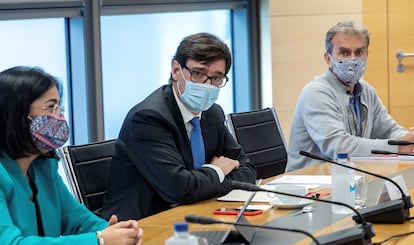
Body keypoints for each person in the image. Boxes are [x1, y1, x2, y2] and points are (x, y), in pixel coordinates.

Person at [0, 66, 143, 245]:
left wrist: (118, 233)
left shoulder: (43, 168)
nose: (58, 118)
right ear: (15, 114)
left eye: (60, 109)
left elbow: (78, 221)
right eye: (50, 108)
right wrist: (101, 243)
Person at [102, 33, 257, 221]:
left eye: (216, 78)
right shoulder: (148, 118)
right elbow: (180, 189)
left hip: (196, 216)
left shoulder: (212, 113)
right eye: (198, 74)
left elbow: (247, 170)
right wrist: (217, 171)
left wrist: (204, 185)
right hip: (144, 226)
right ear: (176, 70)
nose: (207, 84)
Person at [286, 20, 414, 172]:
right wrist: (398, 146)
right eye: (345, 52)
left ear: (367, 54)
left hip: (349, 181)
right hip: (310, 187)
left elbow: (388, 130)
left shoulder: (366, 90)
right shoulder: (316, 93)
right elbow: (340, 147)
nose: (353, 59)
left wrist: (409, 138)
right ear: (328, 59)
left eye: (359, 52)